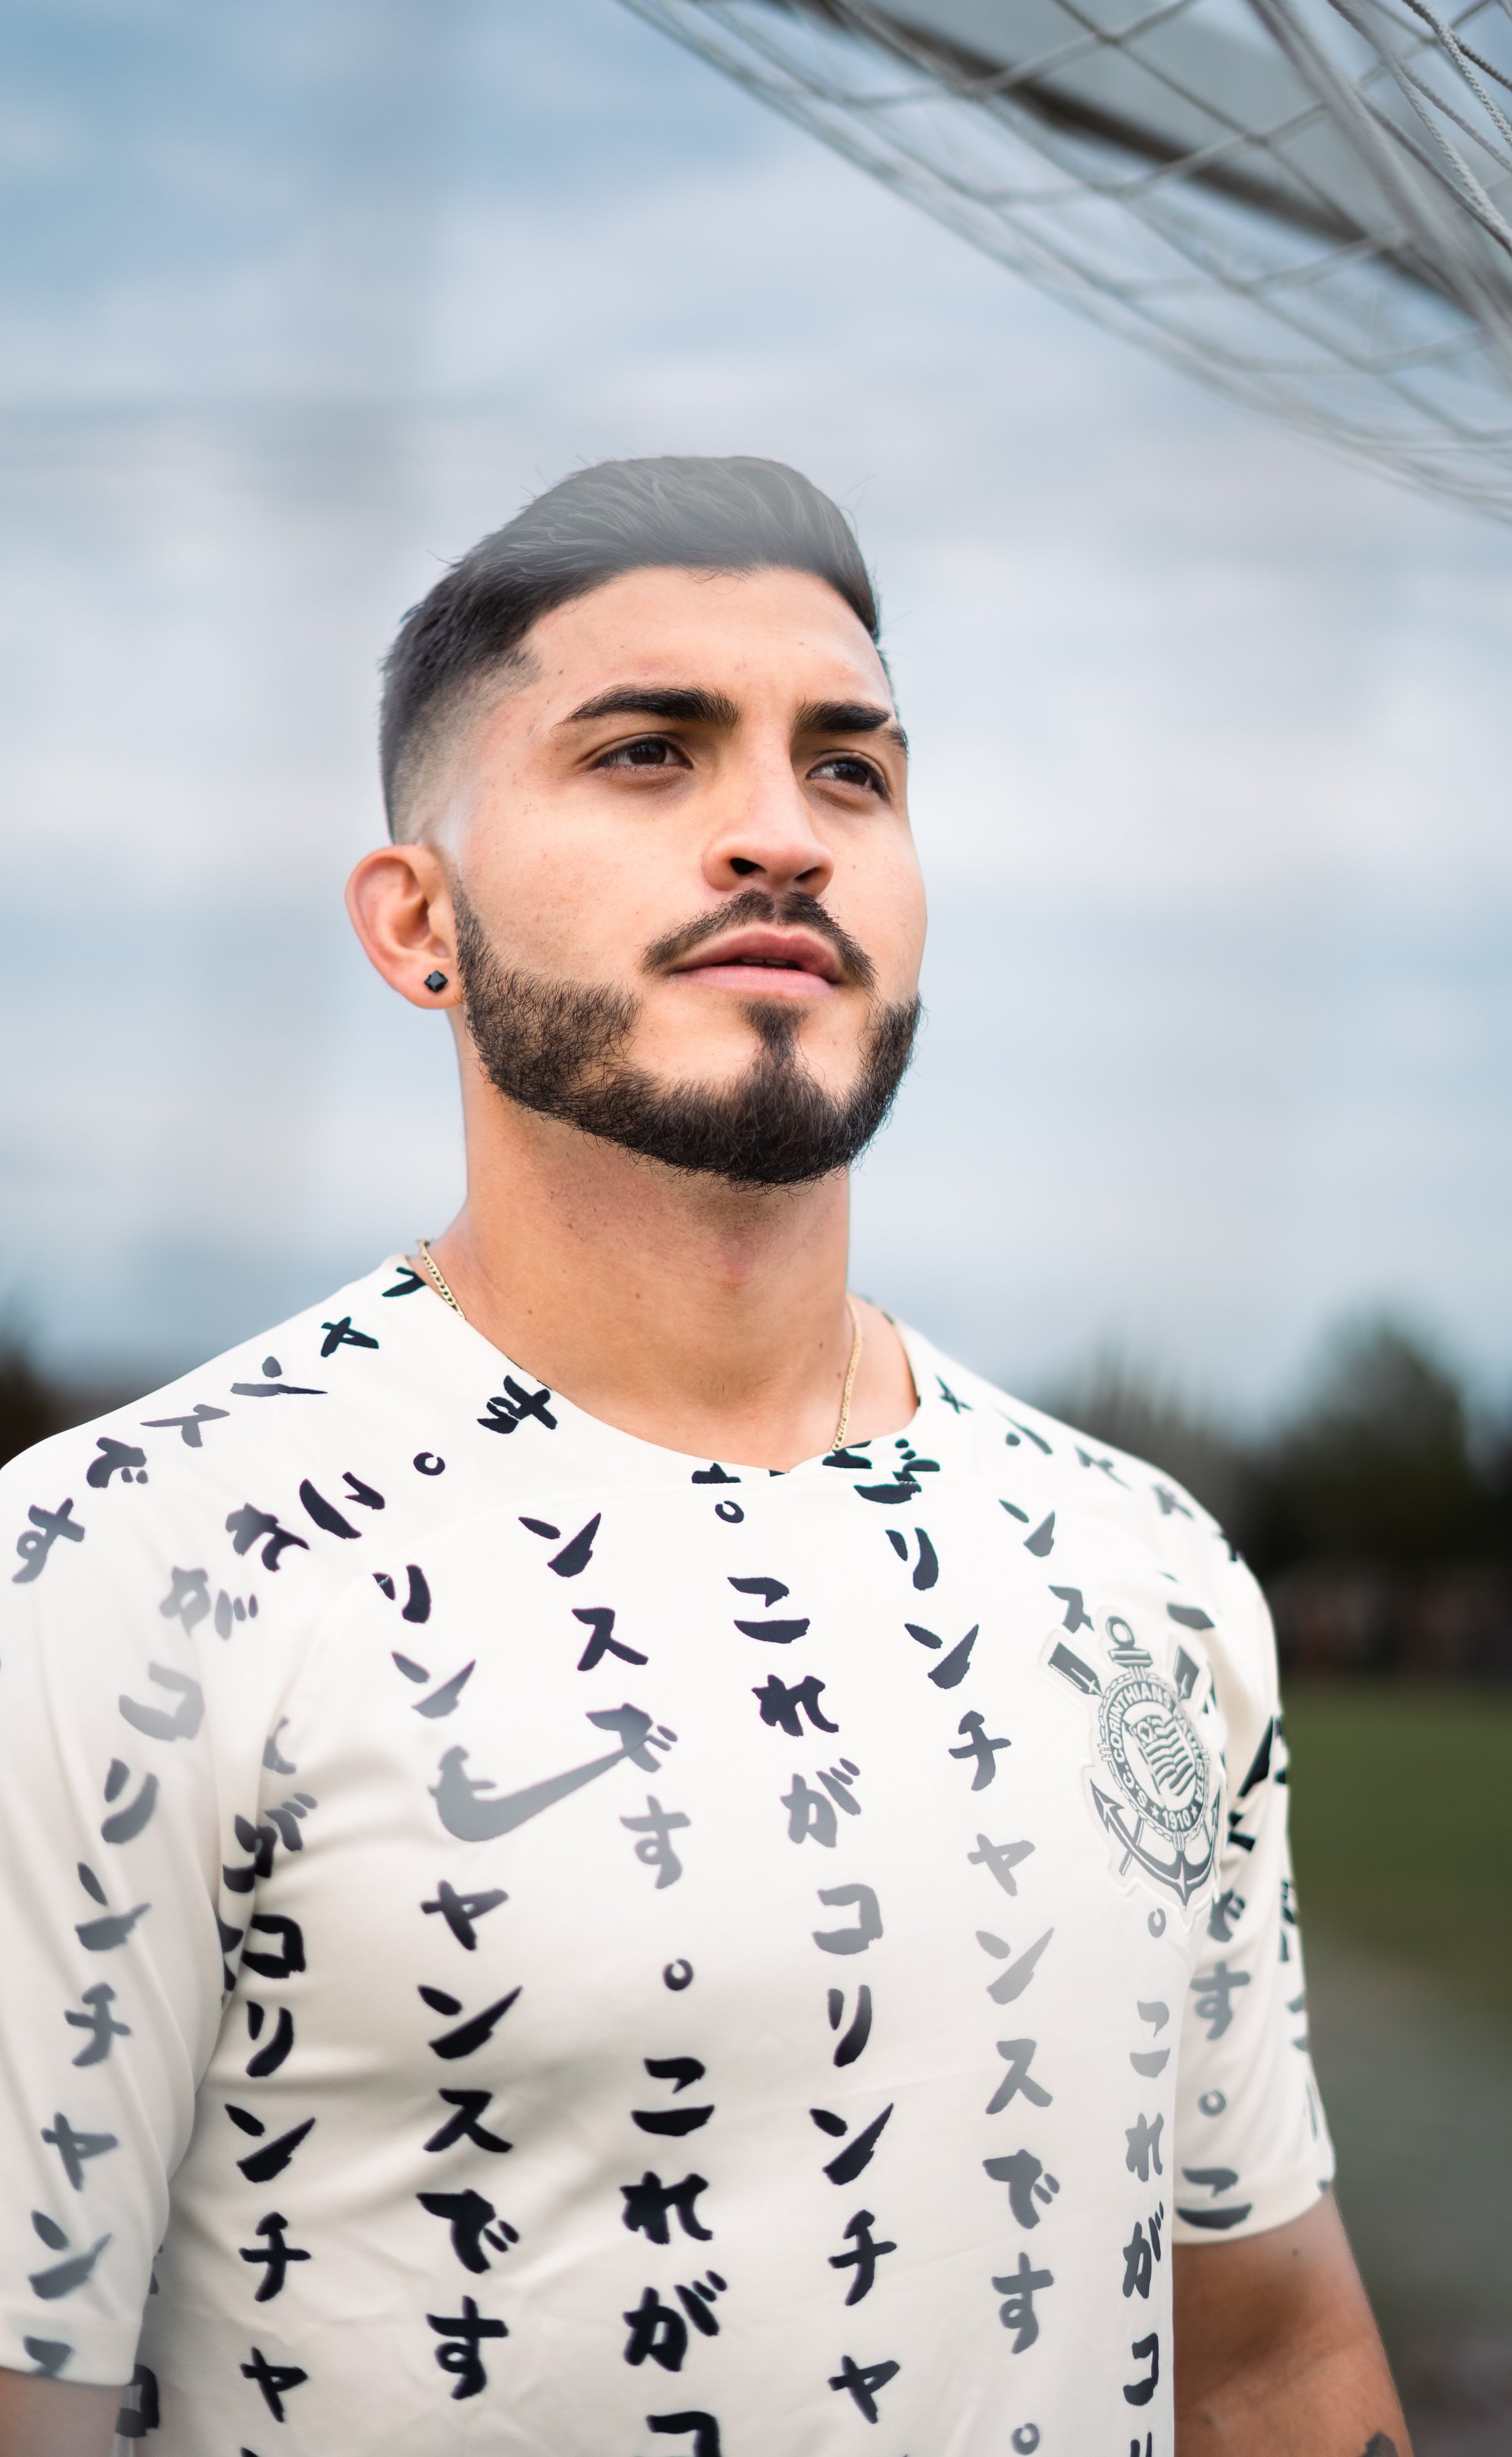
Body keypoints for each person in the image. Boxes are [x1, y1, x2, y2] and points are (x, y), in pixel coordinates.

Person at [0, 455, 1408, 2457]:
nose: (780, 836)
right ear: (420, 925)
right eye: (649, 755)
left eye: (851, 772)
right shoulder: (116, 1570)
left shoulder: (1137, 1569)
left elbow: (1268, 2348)